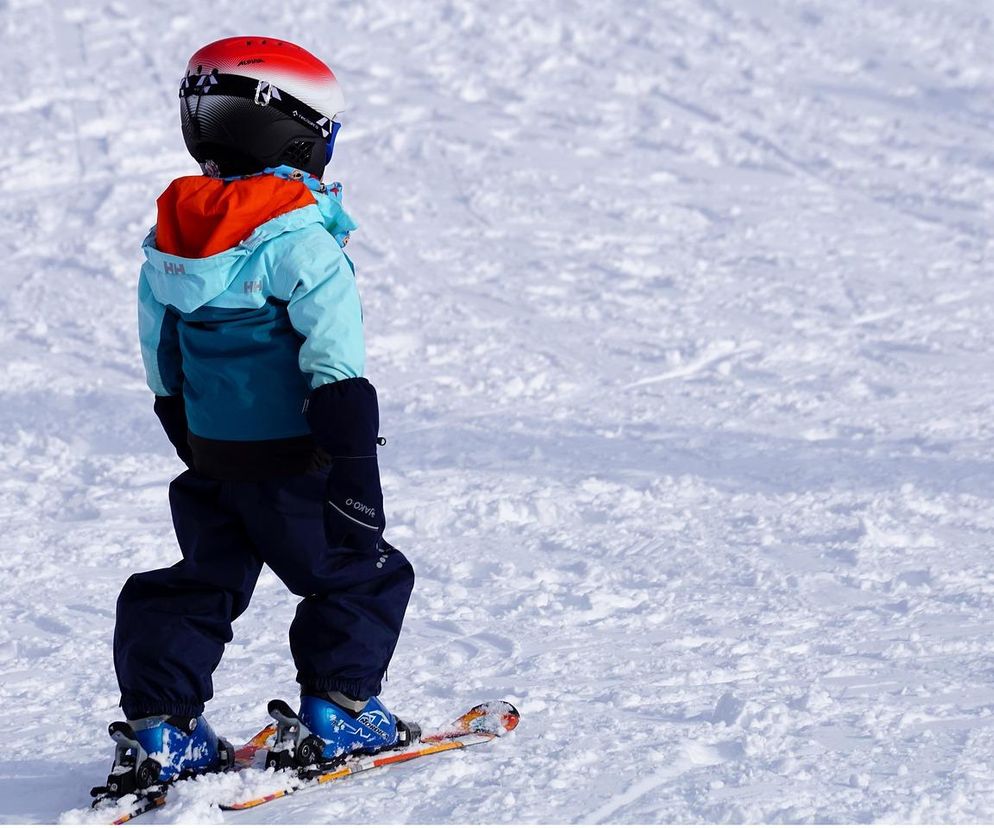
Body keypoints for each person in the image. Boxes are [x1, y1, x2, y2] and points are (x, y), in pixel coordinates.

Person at [108, 36, 416, 786]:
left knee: (197, 582)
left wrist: (187, 429)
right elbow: (335, 363)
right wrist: (351, 471)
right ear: (300, 135)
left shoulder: (172, 239)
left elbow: (161, 349)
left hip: (213, 456)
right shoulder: (300, 241)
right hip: (297, 459)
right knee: (362, 576)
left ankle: (164, 726)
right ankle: (340, 709)